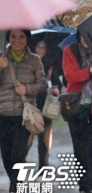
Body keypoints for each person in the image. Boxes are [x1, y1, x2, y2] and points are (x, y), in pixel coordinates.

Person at [0, 29, 48, 193]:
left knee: (18, 153)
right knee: (6, 156)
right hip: (3, 114)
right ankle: (18, 182)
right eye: (13, 36)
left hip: (24, 115)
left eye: (21, 36)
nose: (17, 40)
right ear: (8, 38)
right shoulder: (1, 58)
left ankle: (15, 190)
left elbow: (42, 85)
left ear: (27, 39)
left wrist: (26, 89)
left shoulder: (35, 60)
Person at [62, 32, 92, 193]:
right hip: (75, 105)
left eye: (90, 36)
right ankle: (83, 186)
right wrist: (91, 70)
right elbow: (70, 75)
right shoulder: (70, 50)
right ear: (79, 35)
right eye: (84, 36)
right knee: (80, 148)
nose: (86, 40)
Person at [26, 40, 62, 169]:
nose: (40, 50)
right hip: (31, 106)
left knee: (45, 140)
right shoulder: (28, 64)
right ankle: (20, 162)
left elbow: (57, 82)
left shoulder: (50, 66)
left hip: (46, 105)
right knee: (27, 139)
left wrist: (56, 88)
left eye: (43, 48)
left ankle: (43, 166)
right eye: (38, 47)